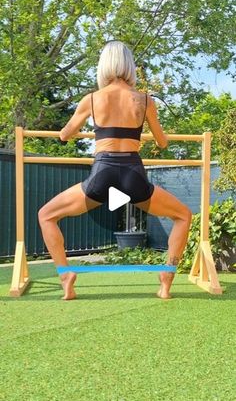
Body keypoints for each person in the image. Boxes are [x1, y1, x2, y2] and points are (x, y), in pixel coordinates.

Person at [38, 41, 192, 300]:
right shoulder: (145, 100)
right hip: (133, 172)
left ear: (103, 66)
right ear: (129, 66)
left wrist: (82, 132)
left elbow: (65, 135)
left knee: (46, 215)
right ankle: (166, 281)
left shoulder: (92, 99)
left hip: (103, 172)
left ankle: (66, 276)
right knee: (183, 216)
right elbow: (163, 142)